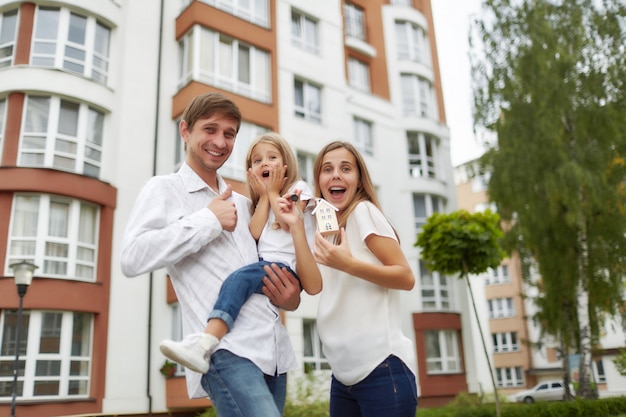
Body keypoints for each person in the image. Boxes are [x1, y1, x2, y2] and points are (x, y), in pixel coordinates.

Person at [120, 92, 302, 417]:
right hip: (225, 351)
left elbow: (268, 269)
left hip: (274, 351)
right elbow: (132, 258)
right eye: (210, 129)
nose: (220, 141)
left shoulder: (246, 205)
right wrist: (208, 220)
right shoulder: (164, 190)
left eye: (229, 134)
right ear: (185, 131)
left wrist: (290, 298)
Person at [276, 140, 418, 417]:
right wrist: (295, 227)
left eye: (346, 168)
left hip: (382, 368)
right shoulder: (325, 228)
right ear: (319, 179)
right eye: (327, 169)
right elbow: (314, 287)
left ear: (359, 180)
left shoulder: (363, 212)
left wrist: (348, 264)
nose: (336, 175)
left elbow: (406, 276)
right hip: (342, 377)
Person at [158, 132, 321, 374]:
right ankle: (212, 342)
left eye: (272, 157)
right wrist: (265, 196)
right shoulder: (261, 203)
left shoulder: (299, 189)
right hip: (265, 267)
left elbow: (289, 221)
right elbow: (253, 234)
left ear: (286, 164)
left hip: (284, 268)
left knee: (238, 279)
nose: (264, 163)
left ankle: (205, 342)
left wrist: (274, 192)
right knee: (238, 282)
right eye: (257, 161)